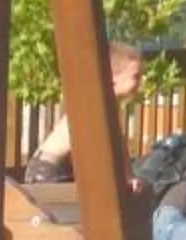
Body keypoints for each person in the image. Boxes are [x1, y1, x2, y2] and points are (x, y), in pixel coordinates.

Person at [21, 42, 144, 184]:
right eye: (136, 77)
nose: (141, 82)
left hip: (61, 169)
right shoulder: (94, 104)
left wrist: (128, 176)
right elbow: (92, 148)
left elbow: (119, 144)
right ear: (111, 77)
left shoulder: (110, 105)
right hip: (48, 170)